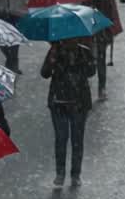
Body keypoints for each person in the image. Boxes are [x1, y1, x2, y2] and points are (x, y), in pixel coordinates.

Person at [41, 39, 96, 187]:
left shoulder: (84, 51)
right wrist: (52, 58)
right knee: (61, 138)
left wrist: (85, 58)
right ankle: (60, 173)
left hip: (79, 102)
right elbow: (44, 73)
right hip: (59, 102)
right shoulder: (55, 52)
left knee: (77, 140)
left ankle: (75, 174)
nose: (70, 42)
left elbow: (91, 72)